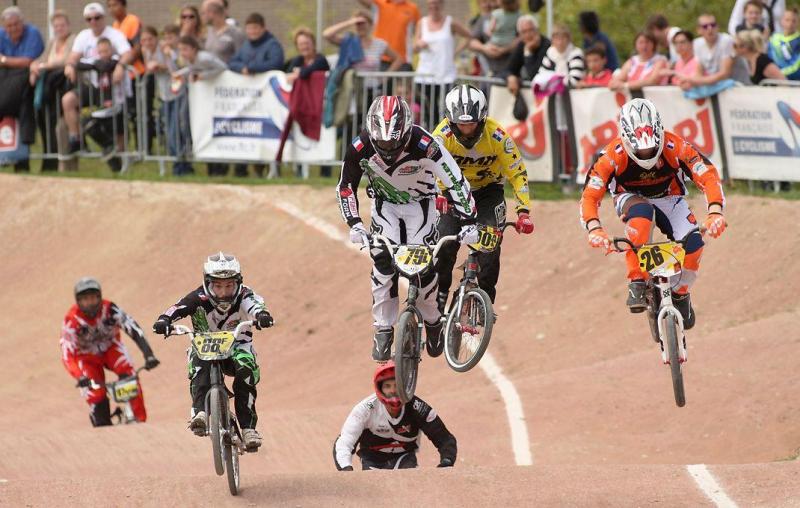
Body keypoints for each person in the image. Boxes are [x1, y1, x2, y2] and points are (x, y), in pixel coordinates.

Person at [335, 95, 477, 361]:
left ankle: (433, 320)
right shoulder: (359, 146)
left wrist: (469, 220)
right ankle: (382, 328)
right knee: (382, 261)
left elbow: (455, 180)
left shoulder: (426, 145)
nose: (388, 148)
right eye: (382, 142)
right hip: (384, 206)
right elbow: (345, 187)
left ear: (407, 131)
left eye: (394, 142)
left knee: (421, 267)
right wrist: (354, 223)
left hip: (421, 205)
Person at [580, 98, 727, 329]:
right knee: (642, 212)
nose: (647, 153)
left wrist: (715, 211)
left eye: (651, 149)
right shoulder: (610, 156)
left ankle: (680, 292)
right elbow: (590, 195)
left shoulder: (675, 145)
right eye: (641, 149)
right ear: (626, 140)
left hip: (670, 198)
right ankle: (636, 280)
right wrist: (593, 228)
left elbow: (707, 175)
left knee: (695, 243)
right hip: (629, 197)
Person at [152, 252, 274, 451]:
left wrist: (262, 315)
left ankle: (248, 428)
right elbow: (178, 308)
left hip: (237, 346)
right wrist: (163, 320)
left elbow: (255, 306)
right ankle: (199, 413)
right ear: (208, 283)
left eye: (229, 285)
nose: (224, 292)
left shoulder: (245, 295)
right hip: (205, 345)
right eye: (218, 286)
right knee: (199, 363)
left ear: (238, 283)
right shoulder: (198, 297)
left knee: (246, 369)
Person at [432, 84, 533, 319]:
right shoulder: (441, 136)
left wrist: (523, 211)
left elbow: (517, 173)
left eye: (472, 123)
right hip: (453, 192)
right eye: (461, 124)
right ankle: (439, 294)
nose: (466, 129)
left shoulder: (498, 136)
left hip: (489, 192)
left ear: (483, 118)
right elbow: (427, 169)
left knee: (489, 246)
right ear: (450, 120)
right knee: (445, 244)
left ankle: (485, 298)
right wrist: (435, 194)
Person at [61, 277, 160, 427]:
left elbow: (132, 327)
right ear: (78, 301)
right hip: (86, 357)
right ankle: (103, 428)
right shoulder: (71, 320)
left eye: (93, 298)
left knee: (130, 377)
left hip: (111, 348)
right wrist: (79, 376)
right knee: (95, 392)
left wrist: (148, 354)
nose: (90, 303)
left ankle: (140, 423)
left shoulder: (110, 309)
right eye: (85, 299)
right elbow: (67, 354)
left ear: (100, 297)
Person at [334, 361, 457, 470]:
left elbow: (444, 438)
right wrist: (346, 469)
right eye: (387, 386)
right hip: (372, 459)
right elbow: (344, 442)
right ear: (379, 389)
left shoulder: (418, 407)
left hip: (404, 458)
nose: (393, 390)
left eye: (397, 385)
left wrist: (446, 461)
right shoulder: (364, 410)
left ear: (405, 387)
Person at [62, 2, 132, 156]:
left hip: (114, 87)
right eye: (89, 19)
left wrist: (120, 66)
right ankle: (76, 139)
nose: (93, 21)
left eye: (97, 17)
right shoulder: (83, 36)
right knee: (68, 100)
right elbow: (73, 56)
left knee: (117, 123)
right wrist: (69, 66)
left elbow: (128, 53)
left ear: (103, 17)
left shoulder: (114, 34)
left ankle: (121, 157)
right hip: (93, 86)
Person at [228, 12, 284, 178]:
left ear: (263, 28)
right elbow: (232, 62)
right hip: (251, 100)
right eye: (249, 28)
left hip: (269, 98)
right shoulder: (245, 45)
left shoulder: (273, 44)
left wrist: (253, 68)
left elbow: (275, 63)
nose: (252, 32)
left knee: (271, 131)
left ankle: (273, 168)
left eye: (255, 28)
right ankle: (254, 168)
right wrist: (242, 69)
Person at [412, 0, 473, 128]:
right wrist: (419, 44)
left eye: (436, 3)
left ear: (442, 4)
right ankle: (431, 137)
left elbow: (469, 36)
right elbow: (414, 47)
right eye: (431, 3)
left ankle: (448, 137)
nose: (434, 6)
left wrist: (455, 52)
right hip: (425, 75)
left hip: (446, 74)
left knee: (448, 109)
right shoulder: (421, 23)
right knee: (429, 111)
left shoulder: (450, 22)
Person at [29, 10, 75, 172]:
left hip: (63, 88)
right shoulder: (52, 42)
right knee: (45, 123)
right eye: (56, 26)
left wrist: (45, 66)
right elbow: (42, 59)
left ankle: (60, 160)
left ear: (68, 25)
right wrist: (35, 65)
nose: (59, 28)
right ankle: (48, 160)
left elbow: (68, 59)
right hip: (48, 92)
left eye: (62, 25)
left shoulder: (73, 40)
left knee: (59, 126)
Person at [0, 6, 44, 172]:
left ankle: (22, 162)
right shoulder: (1, 34)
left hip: (25, 84)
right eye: (9, 26)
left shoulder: (32, 32)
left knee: (23, 110)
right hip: (4, 83)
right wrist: (15, 63)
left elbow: (28, 60)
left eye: (16, 24)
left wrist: (4, 60)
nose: (13, 28)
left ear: (22, 23)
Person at [683, 13, 750, 88]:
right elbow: (699, 71)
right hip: (719, 88)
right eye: (705, 26)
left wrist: (699, 81)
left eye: (713, 25)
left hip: (740, 87)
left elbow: (725, 73)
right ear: (698, 30)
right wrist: (690, 82)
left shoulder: (726, 41)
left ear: (717, 27)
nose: (710, 28)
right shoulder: (697, 44)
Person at [357, 0, 421, 66]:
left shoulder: (413, 8)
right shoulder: (379, 4)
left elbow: (420, 30)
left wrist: (417, 44)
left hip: (404, 61)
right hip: (380, 59)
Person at [505, 15, 550, 95]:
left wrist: (528, 52)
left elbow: (534, 75)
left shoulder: (547, 45)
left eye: (531, 30)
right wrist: (510, 77)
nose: (528, 35)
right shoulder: (522, 45)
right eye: (524, 32)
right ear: (520, 35)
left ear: (537, 30)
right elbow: (508, 68)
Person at [768, 8, 800, 80]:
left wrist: (780, 74)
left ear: (798, 22)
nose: (790, 24)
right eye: (787, 20)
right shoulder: (774, 39)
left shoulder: (798, 40)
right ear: (781, 21)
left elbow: (797, 65)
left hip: (795, 81)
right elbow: (769, 58)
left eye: (794, 21)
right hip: (774, 80)